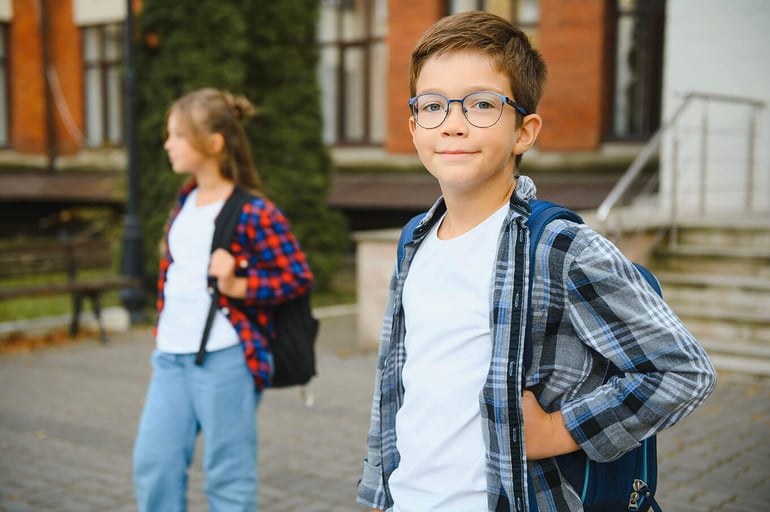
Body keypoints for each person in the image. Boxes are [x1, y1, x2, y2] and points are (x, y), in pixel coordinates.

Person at [356, 11, 716, 512]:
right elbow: (398, 383)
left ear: (524, 132)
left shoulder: (559, 247)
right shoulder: (414, 240)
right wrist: (382, 491)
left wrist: (559, 429)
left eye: (481, 104)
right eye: (434, 106)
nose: (454, 124)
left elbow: (681, 370)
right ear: (414, 128)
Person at [133, 87, 313, 511]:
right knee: (154, 464)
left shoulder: (253, 211)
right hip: (170, 358)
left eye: (177, 135)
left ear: (212, 144)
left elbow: (296, 277)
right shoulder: (185, 199)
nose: (167, 144)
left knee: (228, 477)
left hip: (225, 357)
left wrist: (240, 285)